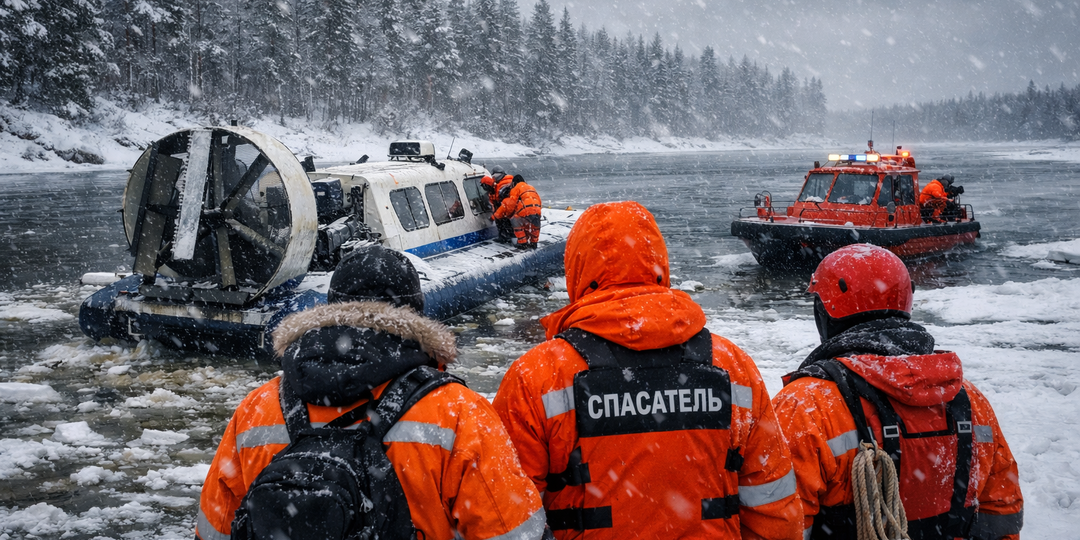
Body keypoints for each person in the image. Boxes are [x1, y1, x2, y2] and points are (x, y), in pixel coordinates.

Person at [492, 201, 803, 539]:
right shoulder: (732, 367)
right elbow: (775, 510)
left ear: (577, 271)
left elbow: (506, 519)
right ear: (659, 264)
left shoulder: (537, 377)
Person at [196, 246, 547, 540]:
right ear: (416, 314)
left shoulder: (257, 408)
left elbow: (214, 530)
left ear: (329, 309)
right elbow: (512, 532)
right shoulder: (457, 412)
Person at [771, 244, 1023, 540]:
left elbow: (779, 523)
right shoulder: (966, 397)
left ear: (824, 312)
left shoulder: (806, 405)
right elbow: (1002, 514)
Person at [492, 175, 542, 249]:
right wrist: (537, 210)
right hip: (537, 208)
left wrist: (508, 215)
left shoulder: (515, 188)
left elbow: (512, 203)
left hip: (525, 210)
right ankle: (534, 242)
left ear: (514, 183)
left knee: (516, 221)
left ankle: (523, 243)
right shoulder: (531, 187)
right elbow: (538, 199)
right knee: (535, 226)